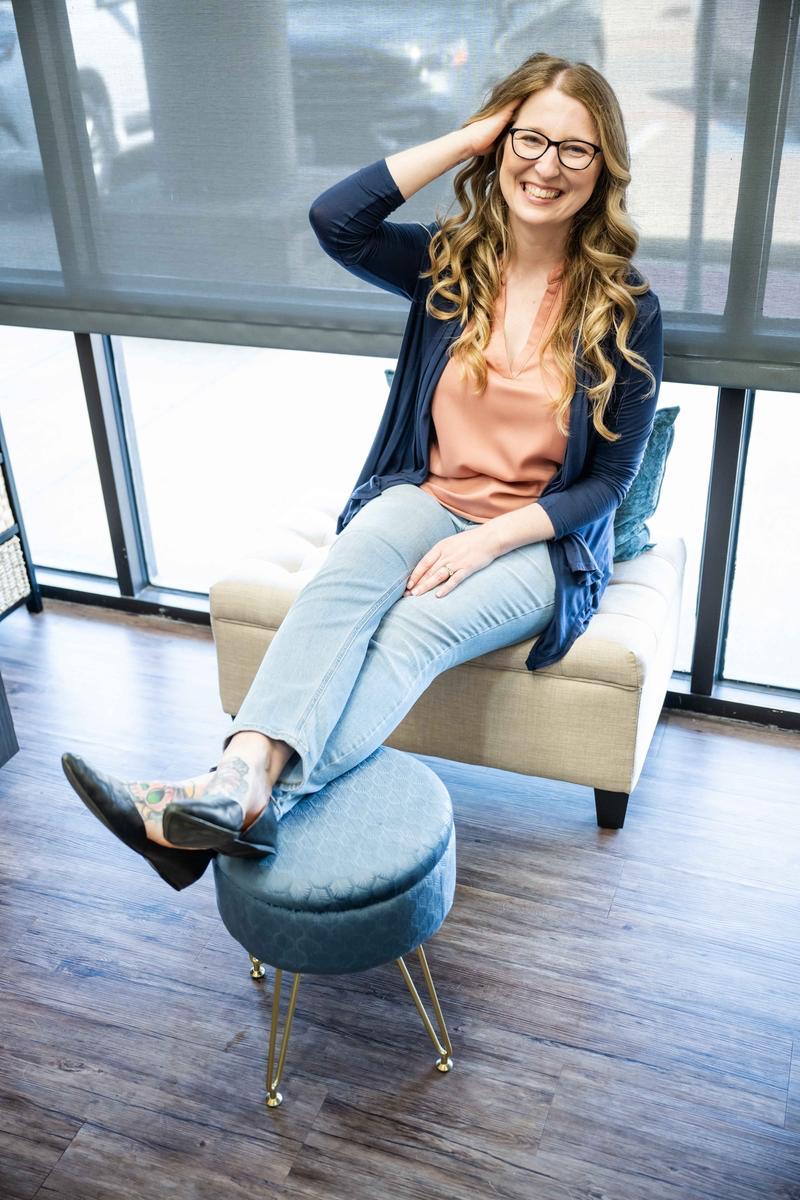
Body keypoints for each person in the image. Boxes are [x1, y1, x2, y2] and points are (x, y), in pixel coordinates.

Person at [62, 51, 663, 892]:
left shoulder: (625, 307)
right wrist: (474, 138)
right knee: (340, 582)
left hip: (537, 544)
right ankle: (235, 790)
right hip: (429, 497)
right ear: (500, 144)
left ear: (603, 171)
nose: (547, 166)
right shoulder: (448, 266)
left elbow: (605, 484)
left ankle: (223, 803)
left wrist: (489, 541)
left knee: (412, 629)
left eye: (576, 150)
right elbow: (334, 218)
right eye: (531, 140)